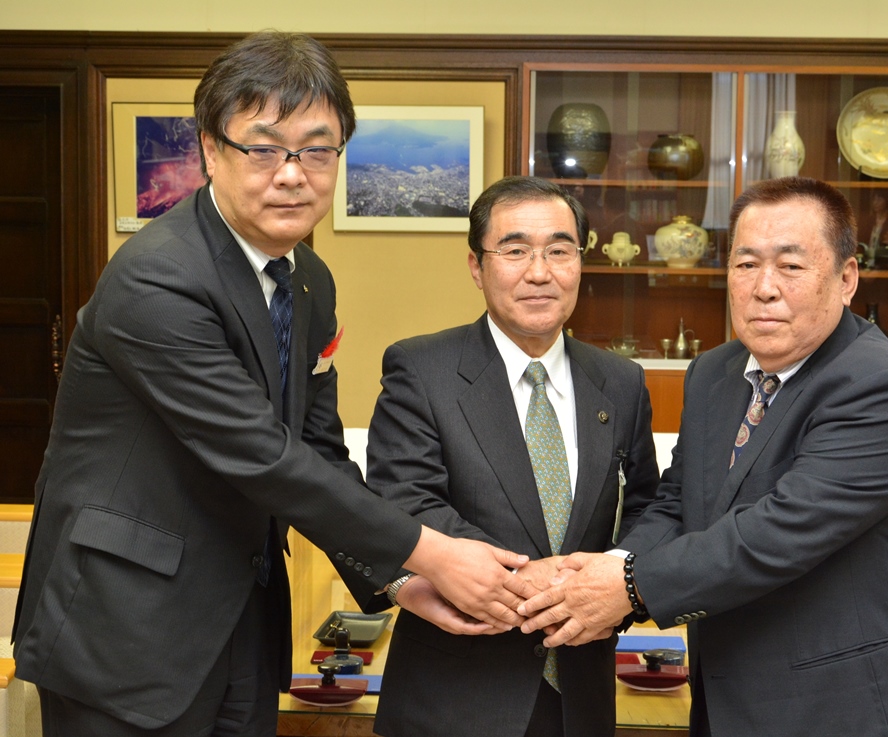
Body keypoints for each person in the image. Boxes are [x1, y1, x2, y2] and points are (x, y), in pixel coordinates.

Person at [13, 32, 528, 737]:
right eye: (264, 148)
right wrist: (432, 550)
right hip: (124, 630)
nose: (293, 174)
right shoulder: (157, 277)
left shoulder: (309, 281)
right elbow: (261, 454)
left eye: (318, 149)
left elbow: (315, 447)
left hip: (242, 622)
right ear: (210, 151)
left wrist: (395, 577)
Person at [516, 176, 888, 737]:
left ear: (846, 278)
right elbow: (675, 502)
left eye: (791, 266)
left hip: (840, 708)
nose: (764, 287)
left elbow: (778, 532)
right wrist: (609, 570)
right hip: (724, 701)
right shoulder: (714, 373)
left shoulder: (881, 385)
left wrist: (629, 587)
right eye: (745, 265)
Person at [363, 176, 661, 737]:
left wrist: (620, 587)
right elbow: (404, 500)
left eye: (559, 250)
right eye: (516, 250)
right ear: (477, 267)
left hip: (582, 694)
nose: (539, 272)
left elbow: (648, 505)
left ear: (581, 261)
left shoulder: (621, 382)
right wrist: (539, 583)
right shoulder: (422, 369)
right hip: (454, 698)